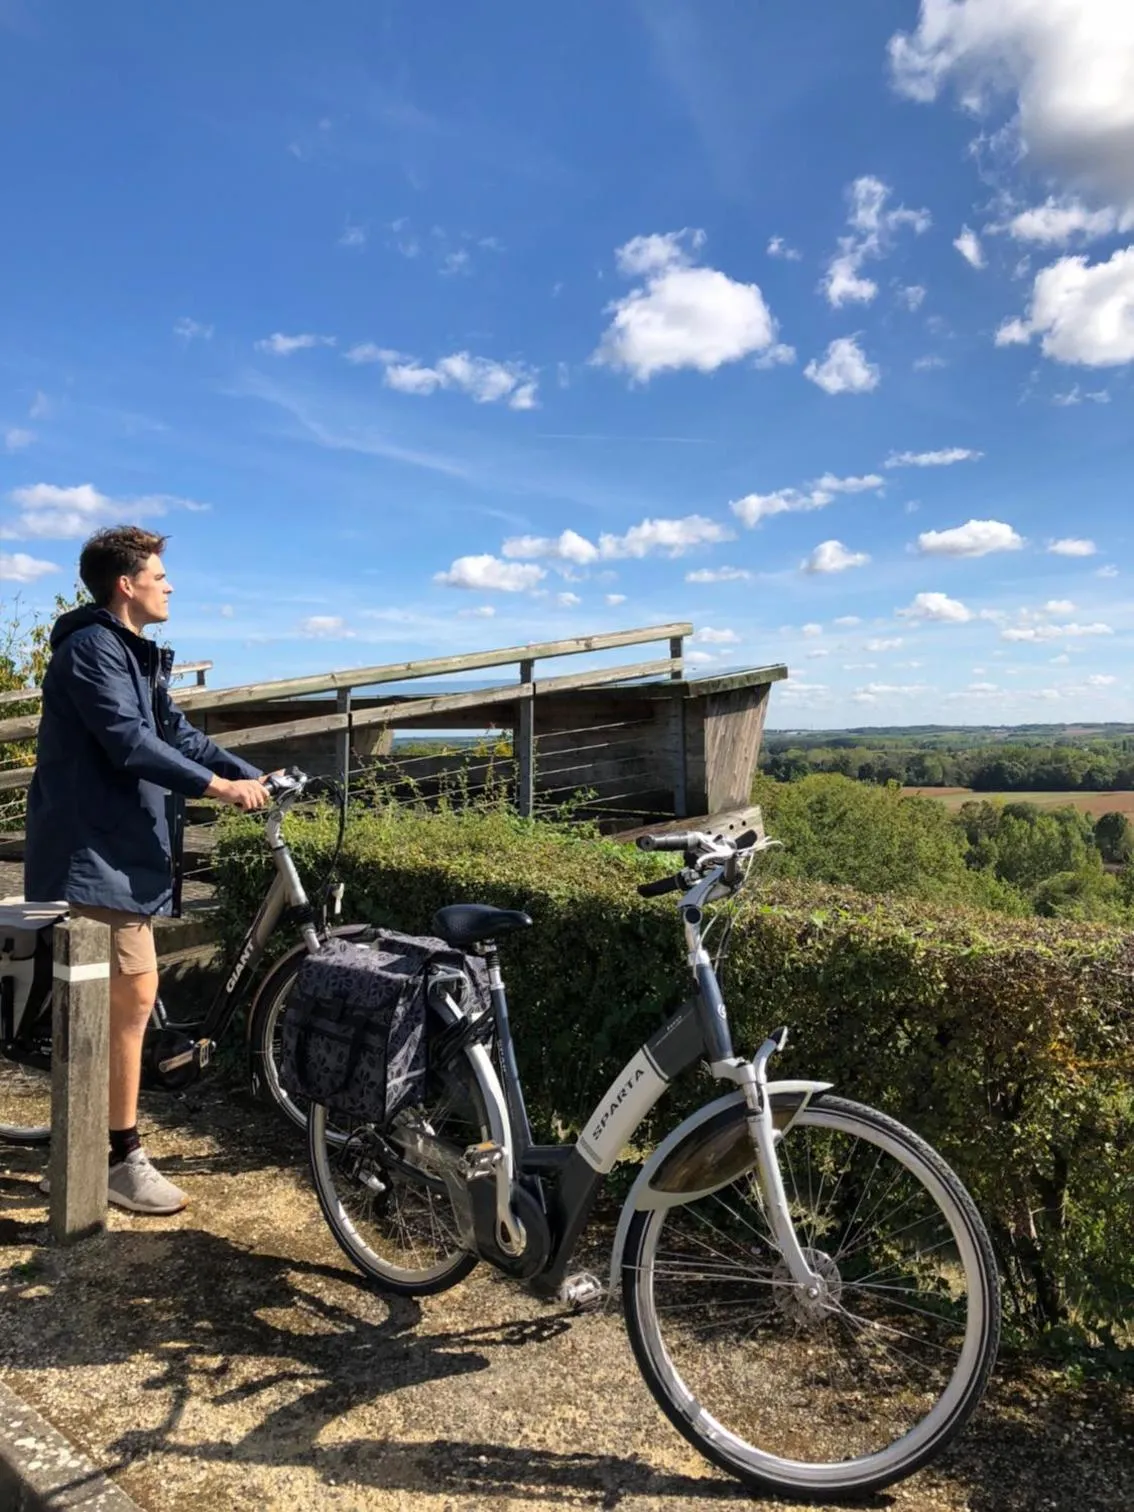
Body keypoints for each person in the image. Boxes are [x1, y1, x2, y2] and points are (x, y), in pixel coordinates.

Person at [25, 525, 271, 1216]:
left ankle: (80, 1152)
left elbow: (177, 735)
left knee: (120, 1005)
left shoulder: (133, 653)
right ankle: (117, 1159)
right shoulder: (92, 649)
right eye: (159, 576)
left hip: (119, 851)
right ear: (126, 584)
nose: (169, 586)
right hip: (94, 853)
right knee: (131, 1001)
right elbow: (129, 742)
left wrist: (253, 774)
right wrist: (219, 789)